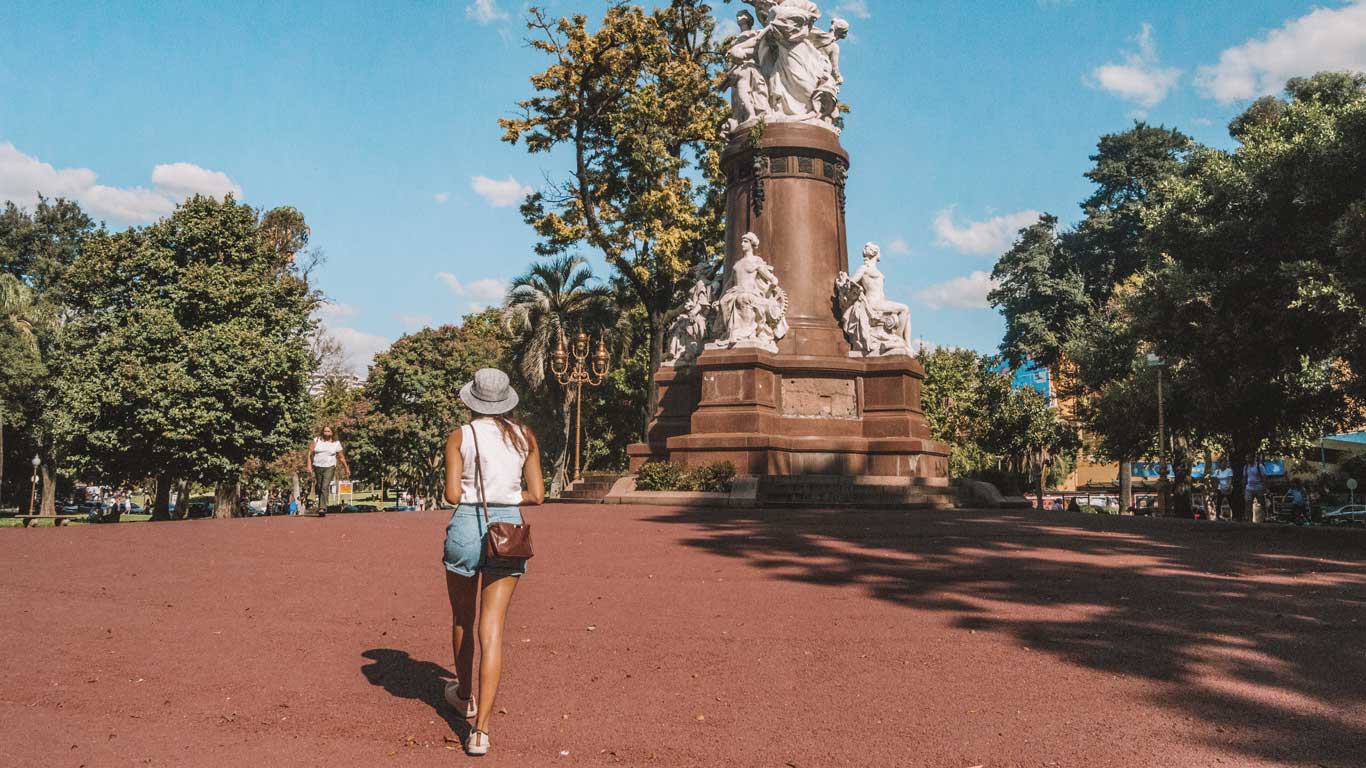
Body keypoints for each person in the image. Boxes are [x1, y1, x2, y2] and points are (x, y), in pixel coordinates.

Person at [441, 368, 545, 757]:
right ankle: (481, 731)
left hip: (468, 523)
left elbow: (453, 493)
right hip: (509, 528)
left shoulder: (460, 436)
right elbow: (536, 495)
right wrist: (507, 497)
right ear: (506, 402)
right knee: (493, 628)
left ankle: (463, 695)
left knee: (462, 619)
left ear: (472, 400)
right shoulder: (525, 437)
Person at [308, 426, 349, 515]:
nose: (327, 433)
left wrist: (346, 467)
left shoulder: (336, 443)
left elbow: (341, 457)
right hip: (317, 466)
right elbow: (309, 453)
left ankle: (322, 508)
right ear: (323, 432)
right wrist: (309, 465)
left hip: (330, 466)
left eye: (328, 431)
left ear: (332, 433)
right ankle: (321, 506)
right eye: (325, 431)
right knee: (319, 487)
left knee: (324, 486)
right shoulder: (317, 440)